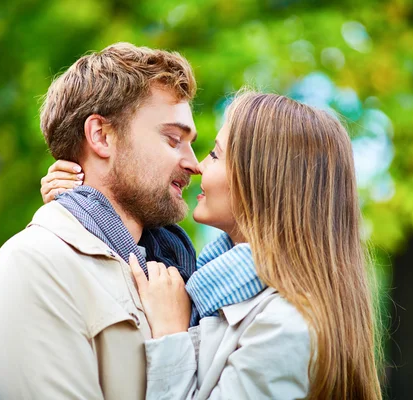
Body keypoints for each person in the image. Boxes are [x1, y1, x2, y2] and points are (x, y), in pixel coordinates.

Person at [44, 91, 383, 399]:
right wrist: (81, 207)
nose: (198, 165)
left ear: (260, 181)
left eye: (215, 155)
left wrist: (170, 337)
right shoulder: (219, 288)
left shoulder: (284, 328)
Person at [0, 42, 199, 399]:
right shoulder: (35, 268)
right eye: (173, 139)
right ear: (101, 136)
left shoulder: (174, 275)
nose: (194, 163)